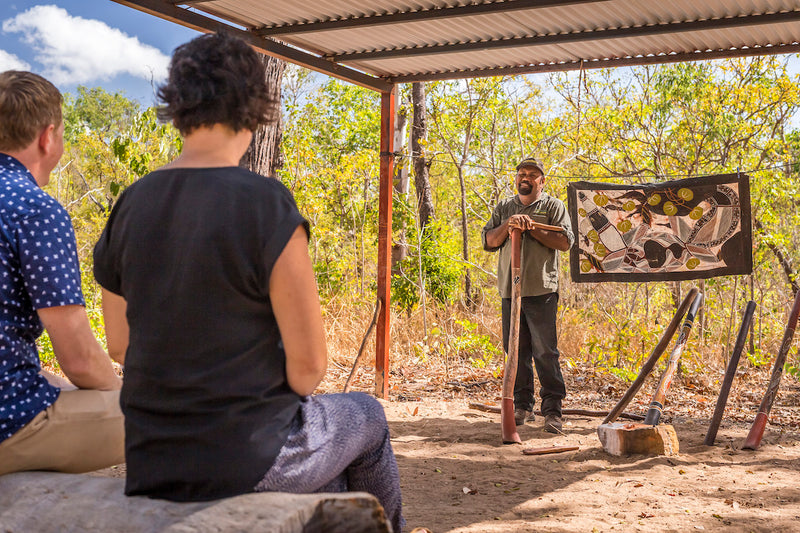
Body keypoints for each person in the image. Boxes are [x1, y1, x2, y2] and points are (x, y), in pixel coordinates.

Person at [92, 33, 404, 532]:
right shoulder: (266, 203)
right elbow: (308, 370)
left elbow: (120, 345)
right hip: (249, 458)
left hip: (155, 462)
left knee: (333, 484)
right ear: (256, 107)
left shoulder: (131, 203)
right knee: (366, 414)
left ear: (177, 105)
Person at [0, 71, 124, 475]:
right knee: (166, 413)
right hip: (10, 425)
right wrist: (117, 395)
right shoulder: (35, 210)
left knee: (52, 379)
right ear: (47, 136)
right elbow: (80, 360)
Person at [481, 157, 574, 434]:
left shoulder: (553, 207)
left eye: (532, 174)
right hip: (511, 289)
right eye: (522, 173)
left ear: (542, 181)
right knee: (515, 351)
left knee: (545, 351)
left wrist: (532, 227)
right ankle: (522, 406)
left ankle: (552, 411)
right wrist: (509, 225)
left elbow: (565, 241)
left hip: (541, 289)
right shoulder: (505, 207)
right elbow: (489, 240)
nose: (526, 178)